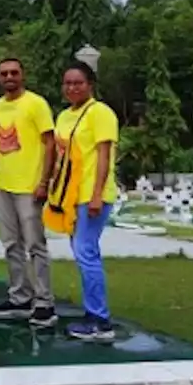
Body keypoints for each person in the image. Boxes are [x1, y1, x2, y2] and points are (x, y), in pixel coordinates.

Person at [0, 58, 58, 328]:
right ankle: (20, 296)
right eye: (4, 73)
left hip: (30, 186)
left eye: (14, 72)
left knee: (35, 245)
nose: (9, 77)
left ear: (23, 75)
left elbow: (49, 144)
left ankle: (44, 302)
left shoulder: (36, 104)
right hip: (4, 186)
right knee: (10, 244)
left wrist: (44, 181)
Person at [55, 61, 120, 341]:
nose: (72, 88)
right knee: (83, 255)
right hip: (71, 196)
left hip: (92, 196)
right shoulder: (64, 116)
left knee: (86, 254)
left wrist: (96, 195)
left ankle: (100, 321)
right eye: (68, 83)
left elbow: (104, 156)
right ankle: (92, 313)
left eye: (78, 83)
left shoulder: (100, 113)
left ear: (90, 85)